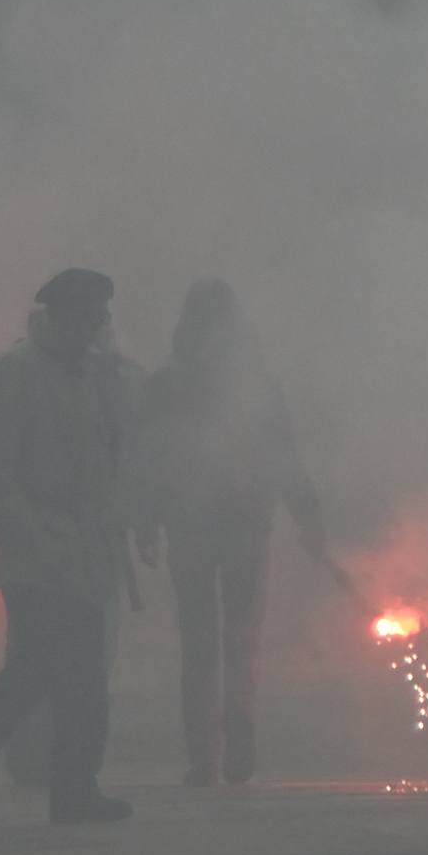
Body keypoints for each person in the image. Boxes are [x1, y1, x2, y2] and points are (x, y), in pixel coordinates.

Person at [0, 269, 135, 824]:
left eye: (98, 317)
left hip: (85, 548)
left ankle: (46, 778)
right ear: (56, 317)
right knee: (58, 668)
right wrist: (33, 536)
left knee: (63, 673)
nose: (92, 327)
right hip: (36, 550)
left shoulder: (95, 374)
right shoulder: (16, 372)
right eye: (83, 317)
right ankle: (35, 774)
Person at [141, 281, 328, 788]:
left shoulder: (164, 387)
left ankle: (204, 756)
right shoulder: (259, 386)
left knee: (198, 641)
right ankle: (239, 729)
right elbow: (284, 454)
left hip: (189, 528)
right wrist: (307, 516)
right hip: (247, 525)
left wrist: (145, 522)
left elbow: (149, 463)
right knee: (243, 635)